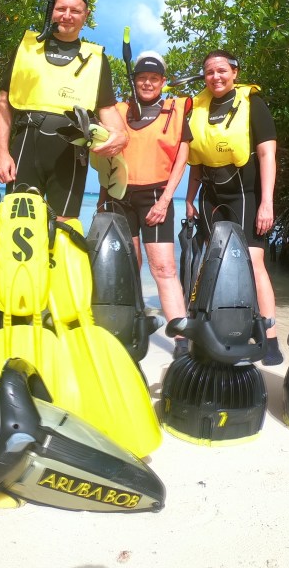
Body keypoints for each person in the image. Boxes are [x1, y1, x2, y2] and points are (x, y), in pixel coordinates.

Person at [184, 49, 283, 366]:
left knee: (254, 263)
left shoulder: (252, 104)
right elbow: (196, 163)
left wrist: (266, 201)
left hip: (244, 194)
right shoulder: (197, 108)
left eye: (222, 70)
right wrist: (188, 199)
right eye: (210, 72)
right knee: (212, 263)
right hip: (211, 195)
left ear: (235, 72)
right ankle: (215, 329)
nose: (215, 76)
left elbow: (268, 155)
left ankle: (269, 338)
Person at [0, 0, 126, 219]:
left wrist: (122, 135)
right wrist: (2, 154)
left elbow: (107, 107)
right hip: (26, 145)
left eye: (75, 11)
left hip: (71, 152)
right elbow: (4, 102)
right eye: (61, 8)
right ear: (51, 12)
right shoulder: (27, 48)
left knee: (64, 227)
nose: (67, 15)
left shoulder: (96, 59)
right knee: (19, 224)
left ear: (85, 17)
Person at [108, 51, 193, 357]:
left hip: (156, 195)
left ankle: (181, 339)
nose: (147, 83)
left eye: (153, 78)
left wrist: (168, 198)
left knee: (164, 268)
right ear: (134, 80)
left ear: (163, 82)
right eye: (142, 77)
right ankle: (131, 324)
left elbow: (183, 157)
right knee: (130, 266)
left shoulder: (176, 110)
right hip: (120, 195)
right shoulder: (117, 110)